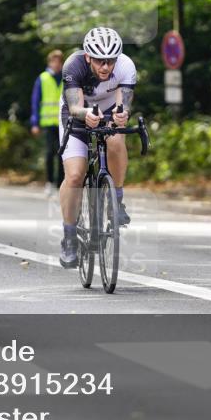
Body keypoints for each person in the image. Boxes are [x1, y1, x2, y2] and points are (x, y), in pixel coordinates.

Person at [57, 27, 136, 269]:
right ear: (88, 57)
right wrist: (86, 115)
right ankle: (69, 237)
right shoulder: (74, 65)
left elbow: (124, 105)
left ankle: (117, 200)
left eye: (110, 61)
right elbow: (75, 107)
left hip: (109, 112)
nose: (105, 67)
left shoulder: (126, 66)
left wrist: (122, 116)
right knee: (75, 175)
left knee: (115, 140)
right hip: (78, 113)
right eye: (100, 61)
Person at [29, 49, 64, 196]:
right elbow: (35, 102)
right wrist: (35, 123)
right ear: (49, 62)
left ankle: (61, 183)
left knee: (63, 154)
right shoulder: (43, 78)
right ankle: (50, 182)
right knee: (50, 152)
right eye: (54, 61)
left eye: (59, 61)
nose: (56, 64)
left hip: (64, 122)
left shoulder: (66, 78)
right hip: (49, 122)